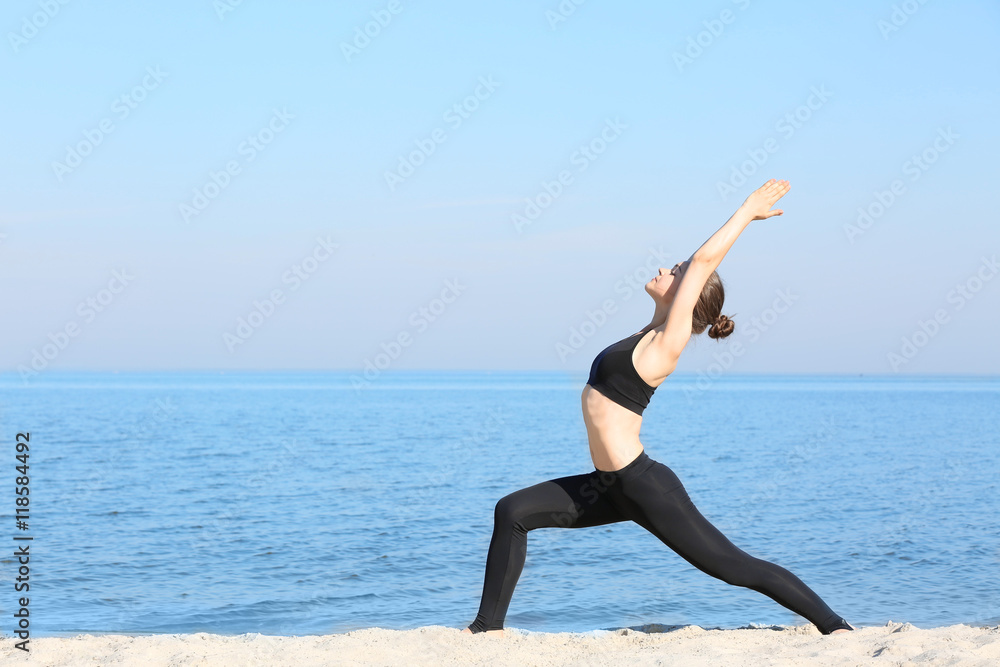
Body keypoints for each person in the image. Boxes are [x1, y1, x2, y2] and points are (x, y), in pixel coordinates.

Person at [462, 179, 854, 637]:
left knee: (735, 568)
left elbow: (704, 261)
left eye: (675, 271)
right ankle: (486, 630)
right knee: (512, 511)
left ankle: (835, 627)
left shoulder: (670, 341)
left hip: (644, 486)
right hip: (605, 486)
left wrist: (748, 211)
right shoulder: (646, 332)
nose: (665, 270)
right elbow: (695, 267)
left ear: (689, 293)